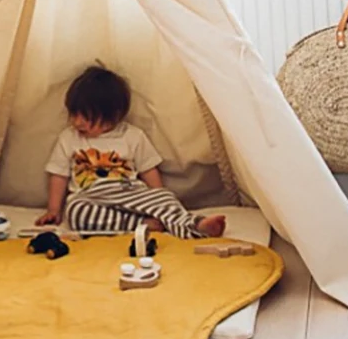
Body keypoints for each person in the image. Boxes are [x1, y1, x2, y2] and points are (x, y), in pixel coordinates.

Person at [36, 65, 226, 238]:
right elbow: (59, 175)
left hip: (128, 191)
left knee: (165, 197)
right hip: (91, 196)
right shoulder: (68, 138)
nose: (77, 122)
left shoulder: (133, 136)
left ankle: (195, 225)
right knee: (76, 211)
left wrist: (157, 196)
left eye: (86, 117)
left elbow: (148, 170)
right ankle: (140, 225)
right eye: (73, 114)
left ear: (113, 116)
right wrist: (54, 210)